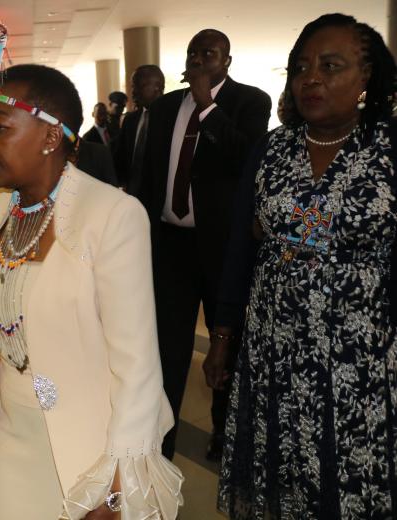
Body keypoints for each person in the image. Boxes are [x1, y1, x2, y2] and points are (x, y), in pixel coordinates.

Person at [0, 64, 183, 520]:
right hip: (13, 433)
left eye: (0, 128)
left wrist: (119, 483)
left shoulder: (112, 215)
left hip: (88, 445)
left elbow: (137, 365)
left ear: (50, 136)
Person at [210, 14, 397, 518]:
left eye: (330, 66)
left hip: (365, 356)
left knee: (356, 479)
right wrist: (223, 336)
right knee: (284, 477)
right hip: (275, 351)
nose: (311, 78)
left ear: (367, 76)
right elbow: (241, 248)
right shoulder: (272, 149)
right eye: (301, 68)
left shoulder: (388, 147)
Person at [136, 29, 271, 461]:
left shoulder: (251, 102)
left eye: (208, 53)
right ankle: (163, 437)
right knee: (167, 347)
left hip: (222, 247)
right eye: (192, 52)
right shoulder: (164, 107)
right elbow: (147, 175)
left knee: (223, 342)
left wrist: (206, 104)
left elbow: (245, 157)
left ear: (226, 61)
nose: (198, 59)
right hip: (170, 245)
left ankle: (224, 430)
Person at [113, 65, 165, 193]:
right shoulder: (130, 120)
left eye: (139, 86)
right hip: (132, 195)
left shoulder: (171, 119)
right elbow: (120, 159)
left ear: (158, 87)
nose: (133, 92)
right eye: (132, 86)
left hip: (161, 197)